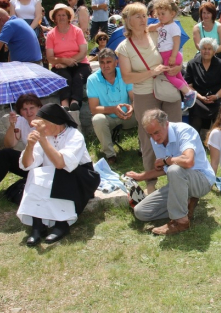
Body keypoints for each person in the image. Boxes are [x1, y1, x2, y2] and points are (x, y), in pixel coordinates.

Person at [116, 2, 182, 195]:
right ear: (128, 21)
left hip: (167, 87)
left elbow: (173, 50)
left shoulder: (156, 33)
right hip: (144, 92)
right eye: (138, 16)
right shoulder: (124, 47)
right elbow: (127, 77)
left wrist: (177, 67)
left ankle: (178, 176)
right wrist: (151, 72)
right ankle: (151, 183)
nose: (144, 19)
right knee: (148, 138)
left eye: (145, 15)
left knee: (175, 131)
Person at [17, 103, 100, 246]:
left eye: (43, 124)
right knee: (35, 173)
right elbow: (26, 164)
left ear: (56, 123)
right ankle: (38, 225)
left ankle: (62, 224)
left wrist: (42, 139)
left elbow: (61, 163)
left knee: (61, 173)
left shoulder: (74, 135)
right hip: (54, 177)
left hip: (80, 177)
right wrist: (30, 147)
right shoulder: (45, 136)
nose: (40, 128)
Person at [126, 109, 215, 235]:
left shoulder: (184, 130)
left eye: (156, 133)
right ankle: (187, 202)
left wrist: (167, 160)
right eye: (150, 134)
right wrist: (140, 176)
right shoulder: (155, 139)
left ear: (166, 124)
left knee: (174, 169)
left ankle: (181, 221)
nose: (154, 138)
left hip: (202, 181)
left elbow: (188, 161)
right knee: (141, 212)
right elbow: (164, 168)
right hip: (178, 181)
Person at [87, 48, 137, 164]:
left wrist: (132, 107)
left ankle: (143, 149)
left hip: (127, 115)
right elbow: (93, 109)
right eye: (102, 63)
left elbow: (134, 98)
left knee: (143, 111)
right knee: (97, 119)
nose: (105, 66)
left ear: (116, 62)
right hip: (108, 117)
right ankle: (110, 154)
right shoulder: (92, 80)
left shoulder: (124, 74)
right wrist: (114, 110)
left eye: (108, 62)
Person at [148, 0, 197, 109]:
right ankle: (187, 92)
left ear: (172, 14)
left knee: (169, 76)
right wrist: (156, 26)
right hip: (168, 55)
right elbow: (149, 28)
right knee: (179, 76)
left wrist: (173, 56)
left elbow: (176, 42)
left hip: (171, 55)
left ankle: (188, 93)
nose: (160, 16)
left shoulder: (174, 27)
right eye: (158, 14)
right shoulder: (162, 25)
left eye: (163, 14)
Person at [46, 3, 91, 111]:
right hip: (59, 64)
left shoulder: (77, 31)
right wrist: (63, 61)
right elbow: (50, 57)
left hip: (80, 62)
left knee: (77, 77)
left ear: (68, 17)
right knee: (64, 77)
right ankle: (64, 102)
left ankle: (75, 101)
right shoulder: (51, 34)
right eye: (58, 15)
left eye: (63, 15)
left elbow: (83, 51)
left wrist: (67, 62)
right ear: (54, 18)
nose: (61, 18)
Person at [184, 37, 221, 134]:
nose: (206, 51)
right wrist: (200, 97)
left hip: (216, 97)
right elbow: (188, 85)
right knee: (195, 106)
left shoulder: (220, 63)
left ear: (214, 51)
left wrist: (216, 96)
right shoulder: (192, 64)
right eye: (204, 48)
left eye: (209, 49)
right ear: (200, 50)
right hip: (199, 97)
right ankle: (195, 138)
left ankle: (218, 138)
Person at [0, 94, 42, 185]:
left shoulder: (46, 122)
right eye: (24, 109)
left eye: (32, 108)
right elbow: (10, 144)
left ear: (39, 107)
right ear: (20, 111)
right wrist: (12, 126)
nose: (29, 112)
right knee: (5, 154)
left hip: (45, 165)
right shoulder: (21, 121)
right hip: (29, 162)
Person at [9, 0, 46, 66]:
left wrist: (29, 30)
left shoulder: (36, 0)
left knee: (32, 52)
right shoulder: (13, 1)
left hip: (33, 27)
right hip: (18, 28)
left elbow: (38, 16)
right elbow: (13, 17)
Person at [192, 1, 221, 68]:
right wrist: (207, 52)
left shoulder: (220, 27)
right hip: (202, 52)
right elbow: (198, 45)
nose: (206, 15)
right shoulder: (196, 28)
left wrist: (212, 52)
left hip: (218, 52)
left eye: (208, 13)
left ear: (213, 14)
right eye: (204, 13)